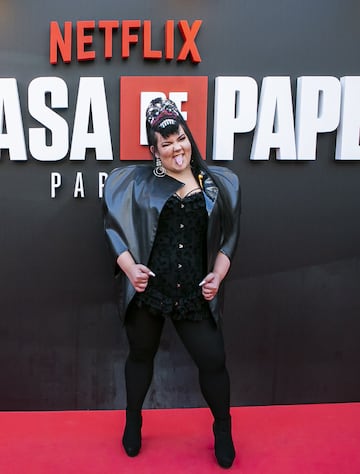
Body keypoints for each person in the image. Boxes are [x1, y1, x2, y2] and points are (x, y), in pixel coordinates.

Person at [103, 97, 241, 468]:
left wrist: (218, 273)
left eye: (179, 138)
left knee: (214, 360)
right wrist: (131, 269)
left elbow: (229, 238)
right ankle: (133, 422)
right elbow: (113, 231)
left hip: (193, 295)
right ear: (155, 150)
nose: (176, 148)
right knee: (140, 356)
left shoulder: (219, 184)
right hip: (151, 293)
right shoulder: (133, 185)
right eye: (166, 143)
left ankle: (223, 430)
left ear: (188, 137)